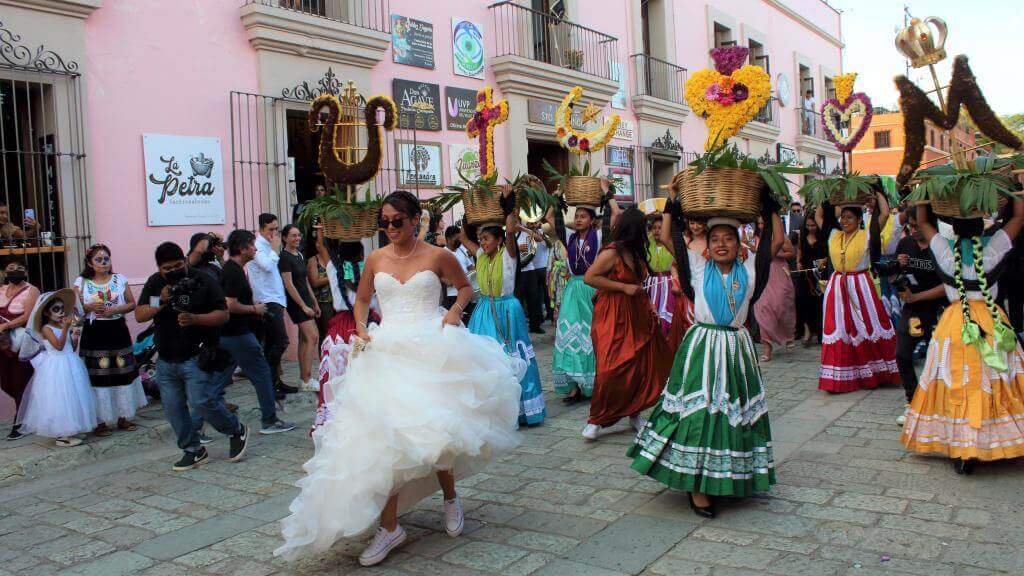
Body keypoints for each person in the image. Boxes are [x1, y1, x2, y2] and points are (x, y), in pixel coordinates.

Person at [275, 191, 523, 566]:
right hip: (387, 352)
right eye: (384, 222)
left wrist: (454, 310)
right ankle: (389, 526)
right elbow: (361, 300)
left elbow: (466, 287)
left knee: (437, 431)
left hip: (433, 347)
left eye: (397, 221)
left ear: (415, 220)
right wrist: (360, 327)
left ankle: (451, 498)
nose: (390, 228)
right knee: (387, 438)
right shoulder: (375, 258)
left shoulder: (437, 255)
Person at [629, 193, 783, 518]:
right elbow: (670, 237)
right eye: (716, 239)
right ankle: (697, 485)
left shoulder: (751, 269)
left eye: (729, 238)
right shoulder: (698, 267)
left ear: (739, 243)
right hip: (703, 348)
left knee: (733, 413)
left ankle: (729, 475)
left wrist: (770, 208)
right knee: (699, 412)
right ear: (707, 246)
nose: (722, 244)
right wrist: (672, 205)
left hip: (737, 350)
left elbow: (777, 239)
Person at [902, 199, 1024, 474]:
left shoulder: (945, 251)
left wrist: (923, 198)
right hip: (991, 321)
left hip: (956, 323)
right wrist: (1016, 191)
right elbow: (1019, 218)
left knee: (957, 381)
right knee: (992, 379)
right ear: (982, 224)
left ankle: (963, 448)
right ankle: (993, 440)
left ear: (953, 227)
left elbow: (923, 222)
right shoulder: (993, 248)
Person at [136, 242, 249, 471]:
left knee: (201, 402)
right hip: (167, 358)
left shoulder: (203, 280)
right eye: (168, 268)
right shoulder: (156, 283)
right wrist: (162, 299)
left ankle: (236, 430)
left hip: (197, 355)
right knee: (172, 409)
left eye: (178, 265)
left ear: (185, 261)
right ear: (160, 269)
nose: (174, 271)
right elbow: (140, 314)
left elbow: (223, 314)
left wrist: (197, 319)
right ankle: (193, 450)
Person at [584, 207, 672, 440]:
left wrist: (651, 308)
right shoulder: (612, 252)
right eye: (642, 229)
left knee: (638, 364)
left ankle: (635, 413)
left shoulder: (636, 252)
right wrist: (623, 287)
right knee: (609, 367)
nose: (645, 233)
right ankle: (596, 418)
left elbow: (640, 287)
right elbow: (590, 277)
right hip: (611, 314)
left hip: (635, 312)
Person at [461, 205, 546, 427]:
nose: (482, 242)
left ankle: (518, 410)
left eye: (486, 238)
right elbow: (464, 237)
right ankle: (491, 411)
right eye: (480, 239)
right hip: (483, 311)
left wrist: (508, 205)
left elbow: (509, 231)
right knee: (484, 359)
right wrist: (465, 209)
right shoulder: (480, 255)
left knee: (511, 356)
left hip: (507, 310)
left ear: (499, 240)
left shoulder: (508, 255)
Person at [815, 189, 899, 393]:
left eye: (849, 217)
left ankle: (876, 372)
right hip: (837, 286)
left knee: (866, 326)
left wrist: (878, 192)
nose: (844, 221)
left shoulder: (867, 235)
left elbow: (885, 214)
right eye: (842, 217)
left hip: (860, 284)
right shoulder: (834, 235)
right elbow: (819, 216)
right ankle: (841, 376)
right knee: (840, 328)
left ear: (859, 219)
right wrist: (824, 195)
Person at [214, 230, 296, 435]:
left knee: (216, 383)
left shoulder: (234, 269)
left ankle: (198, 420)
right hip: (238, 334)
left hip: (232, 334)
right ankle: (269, 420)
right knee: (261, 374)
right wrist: (254, 309)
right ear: (242, 249)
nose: (255, 249)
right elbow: (230, 304)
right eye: (252, 245)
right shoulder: (233, 272)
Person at [553, 194, 620, 404]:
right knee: (569, 334)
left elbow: (614, 215)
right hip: (573, 289)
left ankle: (595, 383)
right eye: (577, 216)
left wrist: (607, 194)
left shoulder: (600, 237)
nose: (579, 219)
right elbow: (553, 220)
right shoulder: (570, 237)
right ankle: (573, 386)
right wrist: (557, 200)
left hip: (593, 289)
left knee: (592, 335)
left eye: (584, 216)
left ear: (592, 220)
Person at [73, 244, 145, 437]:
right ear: (89, 263)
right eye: (98, 259)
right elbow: (75, 313)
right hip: (95, 332)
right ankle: (100, 420)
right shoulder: (81, 283)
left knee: (122, 371)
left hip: (117, 330)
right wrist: (87, 307)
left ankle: (124, 415)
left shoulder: (119, 279)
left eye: (106, 258)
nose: (103, 262)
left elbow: (131, 304)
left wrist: (114, 310)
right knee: (98, 374)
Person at [17, 289, 96, 447]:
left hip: (70, 363)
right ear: (46, 313)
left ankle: (72, 428)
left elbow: (70, 347)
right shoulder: (46, 328)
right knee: (61, 397)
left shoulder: (61, 325)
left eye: (62, 308)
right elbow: (58, 346)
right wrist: (66, 328)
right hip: (56, 366)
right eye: (56, 309)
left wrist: (74, 336)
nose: (61, 312)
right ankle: (62, 434)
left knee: (74, 395)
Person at [890, 207, 946, 426]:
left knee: (938, 359)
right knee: (903, 353)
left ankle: (938, 404)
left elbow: (949, 285)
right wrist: (897, 266)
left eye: (916, 225)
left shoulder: (940, 246)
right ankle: (912, 401)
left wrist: (918, 296)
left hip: (940, 311)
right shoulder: (906, 244)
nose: (912, 230)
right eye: (910, 226)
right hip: (913, 311)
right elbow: (893, 275)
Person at [312, 237, 374, 432]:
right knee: (365, 372)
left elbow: (322, 246)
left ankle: (336, 418)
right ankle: (365, 418)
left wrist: (321, 228)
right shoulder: (370, 271)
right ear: (362, 254)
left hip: (339, 329)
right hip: (366, 325)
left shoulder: (333, 269)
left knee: (338, 374)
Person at [248, 213, 294, 395]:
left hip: (276, 298)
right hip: (266, 300)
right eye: (271, 229)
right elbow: (266, 265)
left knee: (273, 343)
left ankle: (274, 382)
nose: (274, 233)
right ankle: (267, 382)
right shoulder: (258, 246)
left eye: (276, 229)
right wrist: (275, 251)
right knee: (281, 341)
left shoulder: (269, 245)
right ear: (261, 229)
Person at [0, 258, 39, 440]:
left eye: (20, 267)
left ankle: (21, 421)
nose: (16, 270)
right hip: (3, 343)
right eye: (11, 268)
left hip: (21, 343)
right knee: (5, 382)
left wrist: (6, 326)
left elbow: (27, 316)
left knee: (20, 381)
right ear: (4, 272)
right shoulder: (1, 289)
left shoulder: (32, 290)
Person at [280, 224, 321, 392]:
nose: (297, 238)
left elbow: (304, 281)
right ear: (284, 238)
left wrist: (314, 301)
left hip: (305, 300)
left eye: (298, 235)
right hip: (296, 303)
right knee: (313, 336)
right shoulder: (284, 258)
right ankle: (306, 378)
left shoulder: (299, 255)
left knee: (305, 339)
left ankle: (304, 378)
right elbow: (288, 285)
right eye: (293, 236)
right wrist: (303, 306)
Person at [752, 221, 796, 362]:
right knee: (762, 308)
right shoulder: (755, 237)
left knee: (781, 307)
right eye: (758, 223)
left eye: (763, 223)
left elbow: (791, 253)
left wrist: (775, 254)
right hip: (762, 274)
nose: (761, 226)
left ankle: (789, 335)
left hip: (778, 273)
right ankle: (767, 348)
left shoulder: (780, 236)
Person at [794, 217, 826, 346]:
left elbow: (829, 252)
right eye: (808, 225)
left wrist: (824, 260)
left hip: (820, 272)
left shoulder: (823, 235)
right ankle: (807, 330)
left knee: (818, 302)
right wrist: (798, 261)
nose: (810, 228)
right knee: (803, 300)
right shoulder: (803, 233)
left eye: (813, 225)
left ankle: (819, 331)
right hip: (806, 272)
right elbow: (800, 249)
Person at [645, 212, 675, 336]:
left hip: (669, 282)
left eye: (660, 228)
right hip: (651, 283)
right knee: (652, 314)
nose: (657, 231)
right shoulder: (646, 243)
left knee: (668, 315)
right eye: (654, 228)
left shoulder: (672, 243)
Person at [516, 222, 547, 334]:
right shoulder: (507, 235)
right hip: (517, 271)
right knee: (518, 300)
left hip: (530, 269)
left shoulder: (525, 233)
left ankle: (535, 325)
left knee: (534, 299)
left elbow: (538, 238)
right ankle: (519, 326)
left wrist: (523, 229)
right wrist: (517, 248)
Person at [307, 228, 334, 351]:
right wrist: (332, 277)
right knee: (325, 333)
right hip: (323, 302)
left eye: (322, 242)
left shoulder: (334, 258)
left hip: (336, 302)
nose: (320, 245)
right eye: (318, 242)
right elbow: (314, 282)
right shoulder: (313, 261)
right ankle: (324, 361)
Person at [444, 225, 477, 322]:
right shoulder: (443, 254)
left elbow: (471, 267)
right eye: (457, 238)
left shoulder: (461, 250)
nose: (460, 241)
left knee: (469, 322)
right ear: (448, 239)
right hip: (452, 295)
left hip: (467, 294)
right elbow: (442, 278)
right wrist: (456, 280)